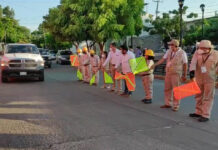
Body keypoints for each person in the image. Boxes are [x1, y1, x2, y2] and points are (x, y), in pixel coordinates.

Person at [151, 39, 188, 111]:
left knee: (176, 89)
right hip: (168, 72)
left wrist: (184, 75)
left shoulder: (182, 53)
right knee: (167, 89)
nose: (170, 46)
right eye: (170, 45)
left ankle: (175, 105)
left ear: (175, 45)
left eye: (171, 45)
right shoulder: (169, 51)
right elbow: (163, 59)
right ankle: (168, 103)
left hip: (176, 73)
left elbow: (185, 64)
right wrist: (155, 65)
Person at [189, 40, 218, 122]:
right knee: (198, 96)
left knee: (208, 97)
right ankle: (198, 112)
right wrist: (192, 73)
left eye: (203, 48)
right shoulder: (197, 52)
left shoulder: (216, 54)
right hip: (199, 78)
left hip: (210, 79)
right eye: (200, 47)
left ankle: (205, 115)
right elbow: (193, 62)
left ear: (208, 48)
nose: (201, 49)